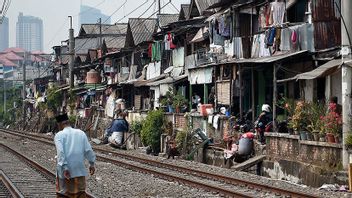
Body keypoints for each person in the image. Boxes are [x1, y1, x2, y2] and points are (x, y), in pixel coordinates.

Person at [54, 113, 96, 198]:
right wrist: (92, 164)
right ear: (68, 122)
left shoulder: (59, 135)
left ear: (60, 124)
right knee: (80, 194)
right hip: (79, 170)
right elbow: (88, 150)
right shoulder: (81, 133)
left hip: (65, 172)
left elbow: (61, 153)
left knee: (64, 194)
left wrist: (65, 168)